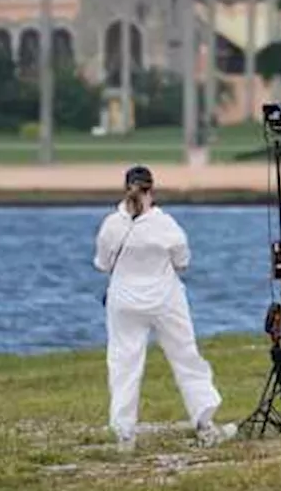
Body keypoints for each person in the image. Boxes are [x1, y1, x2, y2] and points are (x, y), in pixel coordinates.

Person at [93, 165, 237, 452]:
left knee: (123, 364)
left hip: (123, 302)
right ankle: (204, 424)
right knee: (186, 359)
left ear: (125, 189)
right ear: (152, 190)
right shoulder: (167, 225)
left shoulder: (111, 224)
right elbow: (182, 262)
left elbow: (103, 264)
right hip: (165, 300)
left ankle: (124, 434)